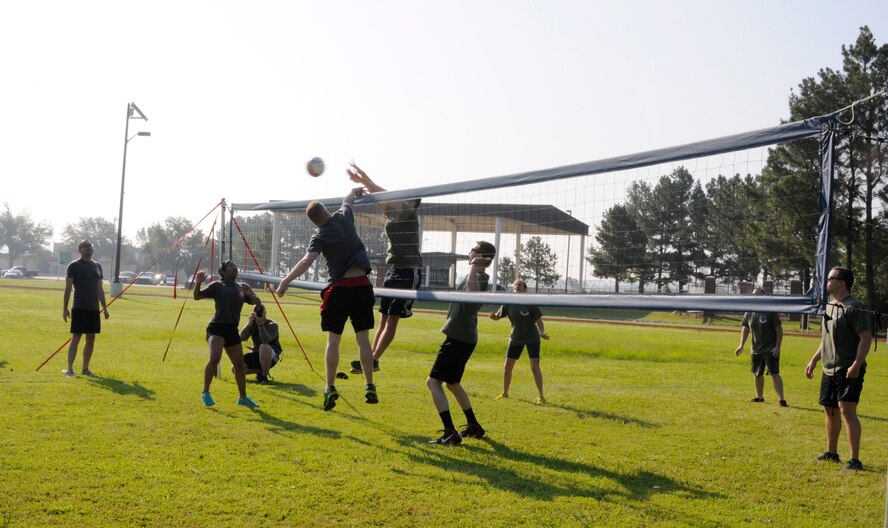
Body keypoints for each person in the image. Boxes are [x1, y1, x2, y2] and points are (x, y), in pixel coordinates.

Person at [276, 186, 377, 411]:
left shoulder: (319, 235)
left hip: (340, 289)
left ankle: (330, 387)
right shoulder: (343, 216)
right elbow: (347, 200)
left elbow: (306, 262)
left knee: (334, 341)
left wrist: (285, 281)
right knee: (363, 340)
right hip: (362, 286)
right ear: (327, 211)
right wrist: (353, 190)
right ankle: (369, 384)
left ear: (314, 222)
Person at [346, 163, 422, 375]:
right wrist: (364, 178)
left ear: (413, 202)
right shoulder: (393, 214)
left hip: (409, 271)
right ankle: (370, 360)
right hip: (393, 270)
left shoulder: (409, 213)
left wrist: (363, 181)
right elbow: (382, 196)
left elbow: (387, 195)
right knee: (383, 318)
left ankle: (374, 360)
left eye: (407, 196)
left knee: (392, 319)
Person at [427, 241, 496, 445]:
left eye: (473, 251)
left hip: (459, 338)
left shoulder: (480, 277)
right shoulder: (473, 275)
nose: (469, 254)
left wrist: (475, 265)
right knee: (453, 383)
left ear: (481, 256)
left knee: (433, 383)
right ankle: (474, 426)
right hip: (461, 336)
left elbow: (470, 295)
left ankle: (450, 433)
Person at [805, 267, 872, 472]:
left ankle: (854, 461)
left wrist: (856, 365)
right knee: (830, 409)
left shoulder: (854, 307)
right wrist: (815, 360)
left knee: (847, 411)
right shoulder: (830, 306)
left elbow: (865, 338)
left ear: (841, 282)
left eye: (830, 279)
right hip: (829, 368)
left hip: (847, 367)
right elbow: (826, 339)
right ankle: (831, 453)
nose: (826, 282)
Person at [193, 260, 261, 409]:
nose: (235, 268)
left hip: (232, 329)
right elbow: (197, 296)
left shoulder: (242, 288)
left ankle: (243, 397)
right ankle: (205, 392)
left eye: (235, 266)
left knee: (239, 366)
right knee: (215, 359)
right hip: (216, 328)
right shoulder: (217, 286)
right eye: (231, 267)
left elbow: (258, 303)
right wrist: (198, 282)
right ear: (222, 272)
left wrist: (250, 293)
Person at [489, 278, 549, 404]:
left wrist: (542, 332)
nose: (517, 286)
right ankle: (505, 393)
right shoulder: (508, 302)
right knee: (507, 366)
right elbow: (498, 317)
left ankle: (541, 396)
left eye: (521, 285)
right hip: (515, 338)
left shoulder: (530, 303)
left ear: (525, 289)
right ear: (513, 288)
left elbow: (539, 321)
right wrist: (493, 317)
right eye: (516, 284)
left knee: (534, 366)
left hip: (532, 337)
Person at [62, 240, 109, 377]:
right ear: (79, 249)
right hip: (79, 307)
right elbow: (68, 288)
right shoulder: (74, 266)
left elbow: (100, 288)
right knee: (76, 337)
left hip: (93, 308)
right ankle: (70, 369)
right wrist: (65, 308)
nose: (89, 248)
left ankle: (85, 369)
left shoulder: (97, 266)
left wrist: (104, 308)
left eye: (90, 246)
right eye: (85, 247)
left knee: (91, 338)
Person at [734, 287, 786, 406]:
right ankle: (759, 397)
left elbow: (779, 330)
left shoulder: (769, 310)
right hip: (756, 349)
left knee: (774, 373)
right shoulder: (749, 311)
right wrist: (741, 345)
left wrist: (778, 347)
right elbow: (745, 329)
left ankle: (782, 399)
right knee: (757, 373)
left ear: (764, 296)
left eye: (758, 294)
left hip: (770, 348)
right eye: (753, 295)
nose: (755, 296)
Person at [237, 303, 283, 383]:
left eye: (261, 312)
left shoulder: (273, 325)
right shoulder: (252, 324)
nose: (259, 314)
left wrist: (261, 325)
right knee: (235, 369)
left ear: (265, 312)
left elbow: (265, 340)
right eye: (256, 312)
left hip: (273, 356)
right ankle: (260, 370)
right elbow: (241, 338)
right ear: (252, 313)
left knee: (264, 346)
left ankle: (264, 377)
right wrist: (249, 325)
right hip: (257, 354)